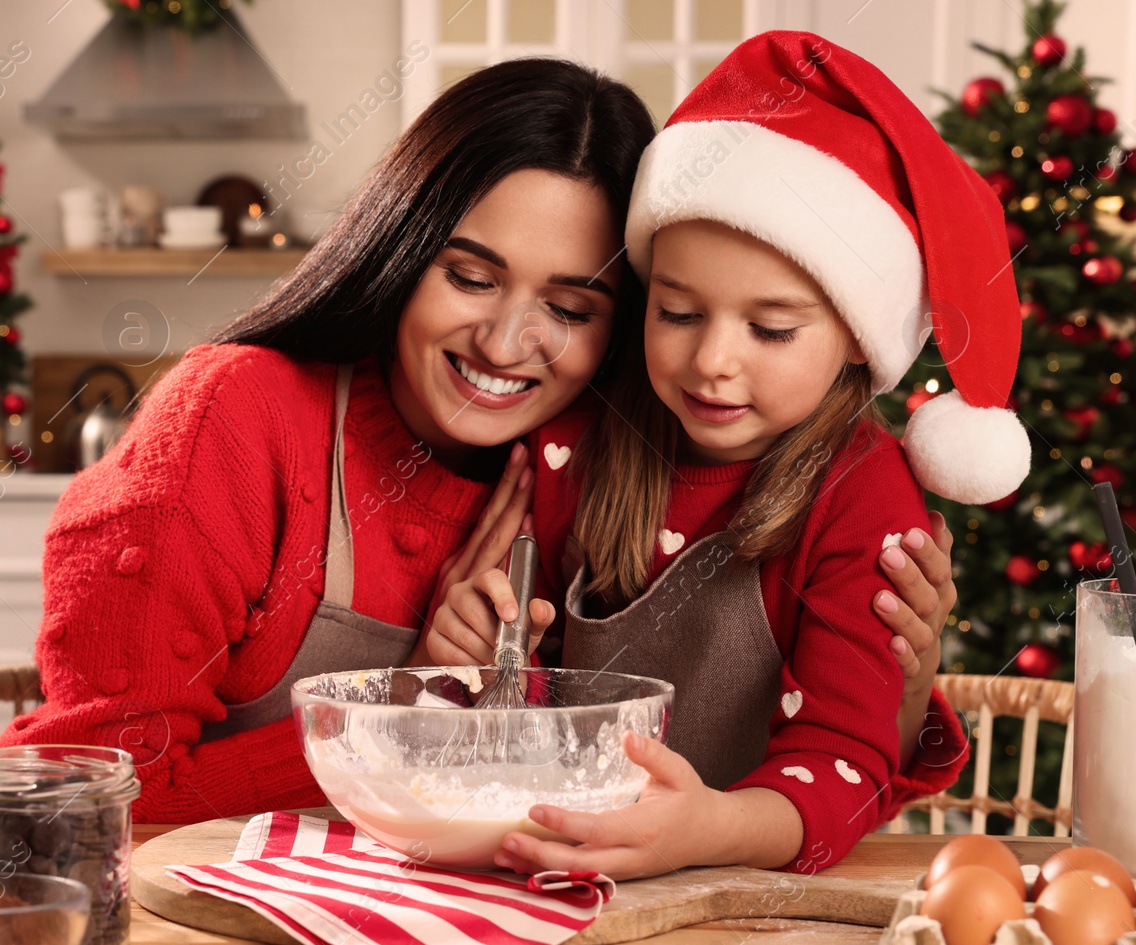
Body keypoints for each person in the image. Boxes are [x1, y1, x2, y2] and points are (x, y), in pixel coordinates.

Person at [1, 56, 957, 824]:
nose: (505, 344)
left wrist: (899, 695)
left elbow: (754, 733)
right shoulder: (239, 420)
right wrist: (413, 718)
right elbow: (87, 791)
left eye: (571, 306)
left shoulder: (588, 458)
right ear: (399, 246)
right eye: (470, 276)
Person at [428, 32, 1028, 876]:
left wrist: (712, 829)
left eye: (771, 329)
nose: (713, 359)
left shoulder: (864, 495)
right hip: (564, 865)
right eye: (677, 312)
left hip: (752, 906)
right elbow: (528, 699)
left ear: (858, 338)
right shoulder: (577, 439)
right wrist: (487, 658)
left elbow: (850, 760)